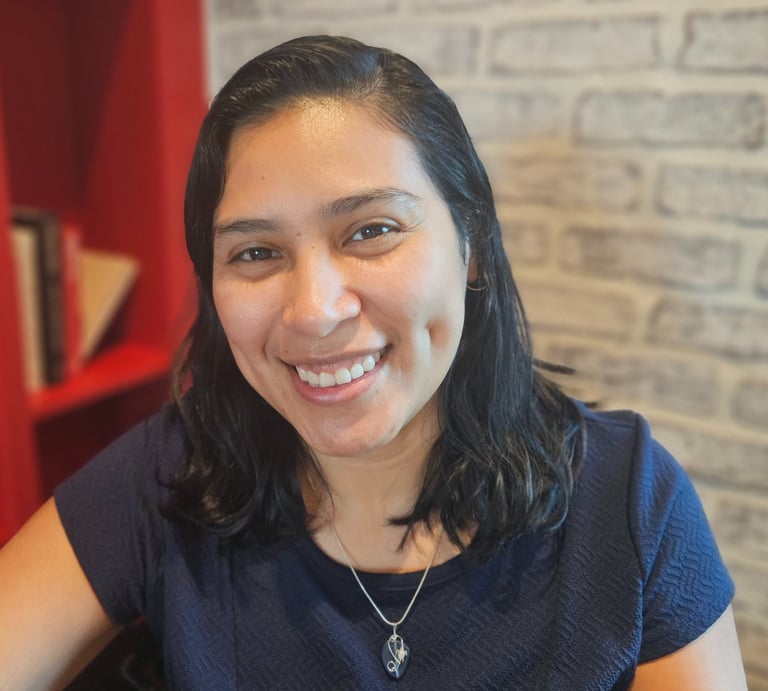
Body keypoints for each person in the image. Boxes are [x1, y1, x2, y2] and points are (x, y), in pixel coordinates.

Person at [0, 35, 746, 690]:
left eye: (371, 230)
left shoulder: (627, 501)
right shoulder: (170, 474)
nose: (314, 310)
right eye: (256, 252)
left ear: (472, 245)